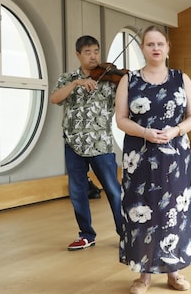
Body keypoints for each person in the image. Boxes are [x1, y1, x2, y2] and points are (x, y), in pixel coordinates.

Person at [115, 25, 191, 293]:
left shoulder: (181, 78)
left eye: (160, 44)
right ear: (142, 48)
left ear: (167, 47)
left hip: (175, 156)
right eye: (150, 44)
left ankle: (174, 272)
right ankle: (143, 276)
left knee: (174, 211)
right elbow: (120, 119)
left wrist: (176, 130)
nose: (155, 48)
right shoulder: (129, 80)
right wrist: (144, 132)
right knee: (142, 213)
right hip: (138, 156)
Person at [49, 35, 122, 251]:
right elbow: (54, 99)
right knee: (78, 192)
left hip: (101, 145)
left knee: (113, 190)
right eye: (88, 52)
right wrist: (76, 83)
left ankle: (125, 234)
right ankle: (86, 234)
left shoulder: (109, 80)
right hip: (73, 145)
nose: (93, 56)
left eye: (96, 51)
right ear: (78, 55)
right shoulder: (68, 78)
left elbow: (124, 102)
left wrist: (124, 81)